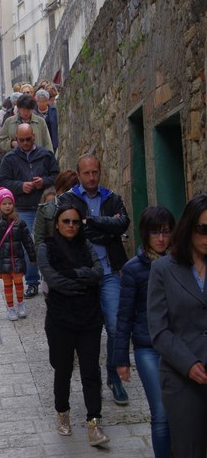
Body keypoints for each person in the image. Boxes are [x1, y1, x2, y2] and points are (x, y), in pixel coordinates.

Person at [147, 194, 207, 458]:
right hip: (184, 381)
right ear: (190, 229)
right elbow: (160, 330)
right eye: (204, 229)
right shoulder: (165, 271)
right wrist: (190, 364)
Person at [113, 206, 176, 458]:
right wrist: (120, 358)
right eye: (155, 232)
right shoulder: (134, 269)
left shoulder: (182, 264)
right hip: (148, 347)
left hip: (180, 347)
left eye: (166, 231)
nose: (161, 238)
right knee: (161, 413)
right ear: (145, 234)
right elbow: (123, 315)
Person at [58, 154, 130, 405]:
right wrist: (104, 229)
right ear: (78, 175)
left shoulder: (112, 198)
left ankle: (114, 375)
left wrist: (94, 222)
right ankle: (93, 380)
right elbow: (74, 230)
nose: (91, 177)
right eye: (86, 173)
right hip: (82, 275)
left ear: (100, 172)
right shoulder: (68, 200)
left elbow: (123, 224)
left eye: (95, 172)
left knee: (114, 326)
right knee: (87, 332)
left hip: (109, 272)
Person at [38, 204, 108, 446]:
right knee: (63, 368)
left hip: (89, 317)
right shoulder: (46, 248)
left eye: (75, 222)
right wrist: (81, 280)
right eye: (66, 221)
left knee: (90, 370)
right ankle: (63, 412)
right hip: (60, 319)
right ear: (57, 223)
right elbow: (53, 278)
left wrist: (73, 276)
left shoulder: (86, 246)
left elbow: (98, 271)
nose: (71, 226)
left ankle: (94, 421)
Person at [0, 123, 59, 297]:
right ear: (16, 140)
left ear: (33, 136)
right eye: (21, 140)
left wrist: (44, 182)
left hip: (45, 206)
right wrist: (20, 186)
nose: (25, 143)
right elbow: (2, 182)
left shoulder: (45, 155)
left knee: (49, 243)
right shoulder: (10, 159)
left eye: (28, 139)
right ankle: (32, 282)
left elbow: (56, 176)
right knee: (29, 246)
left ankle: (50, 279)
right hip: (23, 207)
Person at [0, 187, 36, 321]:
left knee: (19, 282)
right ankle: (10, 307)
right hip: (3, 261)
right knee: (7, 285)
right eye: (4, 203)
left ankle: (20, 304)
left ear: (13, 204)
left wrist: (32, 256)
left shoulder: (19, 223)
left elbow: (27, 241)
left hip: (17, 259)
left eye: (10, 203)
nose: (7, 206)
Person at [33, 169, 78, 249]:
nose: (68, 195)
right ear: (58, 189)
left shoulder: (80, 208)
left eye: (72, 191)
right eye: (65, 190)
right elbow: (39, 239)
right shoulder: (44, 210)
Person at [34, 88, 58, 153]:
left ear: (47, 101)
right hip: (38, 141)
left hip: (52, 141)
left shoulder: (54, 111)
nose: (42, 103)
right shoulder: (33, 113)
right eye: (39, 101)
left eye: (44, 101)